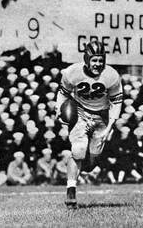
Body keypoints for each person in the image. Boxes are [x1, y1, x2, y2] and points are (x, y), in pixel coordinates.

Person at [55, 40, 123, 209]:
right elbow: (63, 94)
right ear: (86, 59)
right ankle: (71, 190)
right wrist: (59, 113)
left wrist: (109, 128)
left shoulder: (112, 76)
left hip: (102, 116)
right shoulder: (72, 72)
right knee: (78, 151)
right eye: (94, 60)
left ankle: (84, 167)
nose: (97, 64)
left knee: (91, 163)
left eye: (100, 60)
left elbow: (117, 103)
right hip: (80, 112)